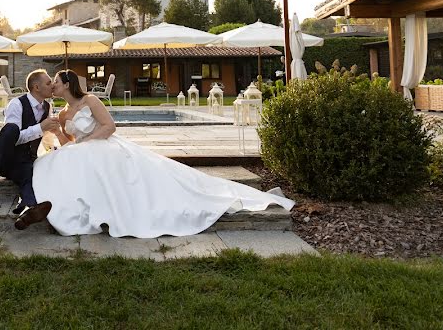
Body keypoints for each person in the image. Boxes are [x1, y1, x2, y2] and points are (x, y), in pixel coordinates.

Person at [33, 70, 294, 238]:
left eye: (54, 82)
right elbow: (70, 140)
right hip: (81, 152)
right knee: (53, 163)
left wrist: (87, 142)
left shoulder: (90, 100)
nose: (52, 86)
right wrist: (59, 136)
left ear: (67, 83)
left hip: (103, 147)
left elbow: (110, 127)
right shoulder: (64, 114)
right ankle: (53, 207)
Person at [0, 69, 59, 230]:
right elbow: (12, 137)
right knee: (11, 128)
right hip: (4, 158)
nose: (52, 86)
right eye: (48, 83)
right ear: (36, 87)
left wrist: (53, 149)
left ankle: (27, 209)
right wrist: (40, 127)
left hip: (24, 160)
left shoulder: (47, 107)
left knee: (30, 173)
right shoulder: (16, 104)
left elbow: (44, 138)